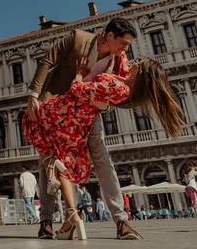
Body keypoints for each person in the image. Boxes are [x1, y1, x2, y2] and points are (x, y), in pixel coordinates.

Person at [24, 55, 183, 241]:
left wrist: (79, 77)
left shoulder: (121, 79)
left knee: (54, 158)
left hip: (67, 115)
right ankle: (69, 218)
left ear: (140, 73)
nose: (132, 60)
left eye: (137, 63)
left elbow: (83, 90)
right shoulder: (123, 76)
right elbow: (106, 84)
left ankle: (63, 217)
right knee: (69, 163)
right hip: (78, 121)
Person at [25, 19, 144, 240]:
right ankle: (46, 221)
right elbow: (48, 60)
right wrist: (33, 95)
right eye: (123, 43)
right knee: (49, 161)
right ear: (108, 35)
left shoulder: (119, 60)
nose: (125, 49)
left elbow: (118, 91)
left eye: (128, 45)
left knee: (102, 160)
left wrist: (104, 104)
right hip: (57, 107)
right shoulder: (78, 38)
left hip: (88, 113)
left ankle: (121, 221)